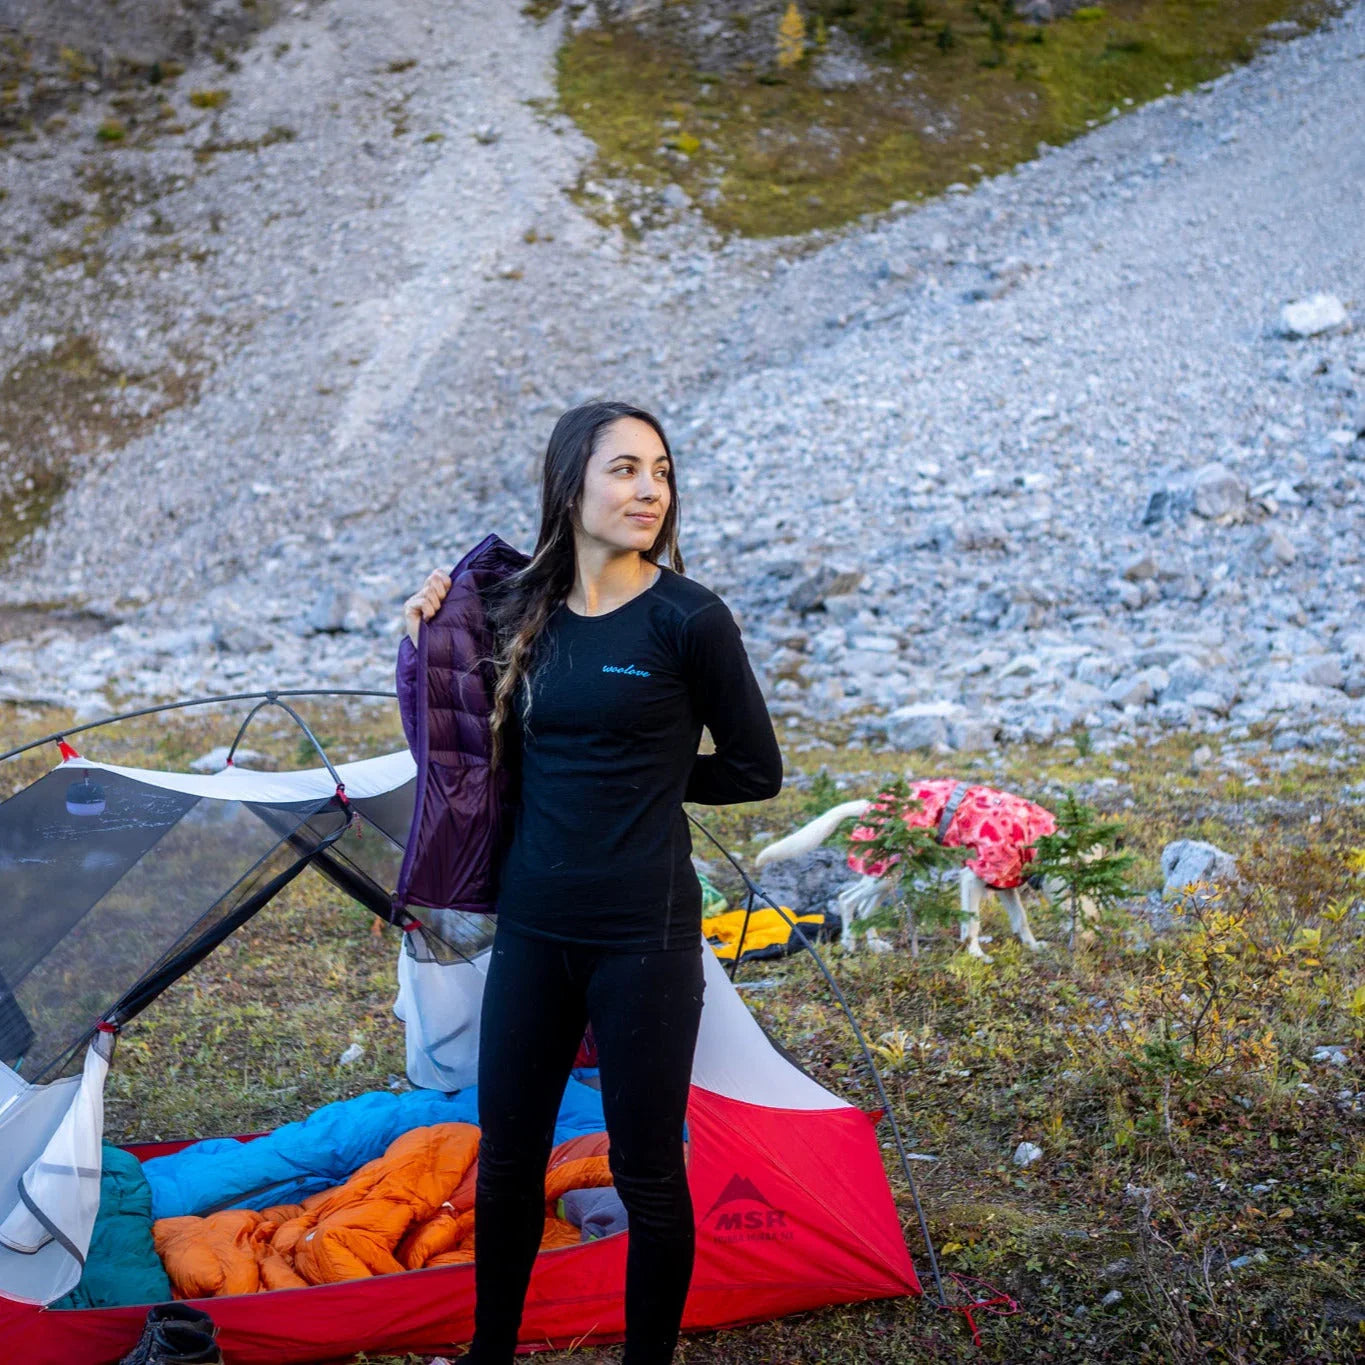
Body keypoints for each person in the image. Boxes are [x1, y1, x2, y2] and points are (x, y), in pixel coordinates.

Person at [400, 400, 784, 1365]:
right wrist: (423, 630)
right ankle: (489, 1354)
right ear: (570, 485)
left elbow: (754, 769)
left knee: (647, 1169)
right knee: (507, 1158)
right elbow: (456, 739)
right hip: (534, 928)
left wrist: (649, 775)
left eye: (660, 471)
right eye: (624, 469)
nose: (649, 489)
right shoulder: (514, 611)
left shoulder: (688, 619)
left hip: (642, 935)